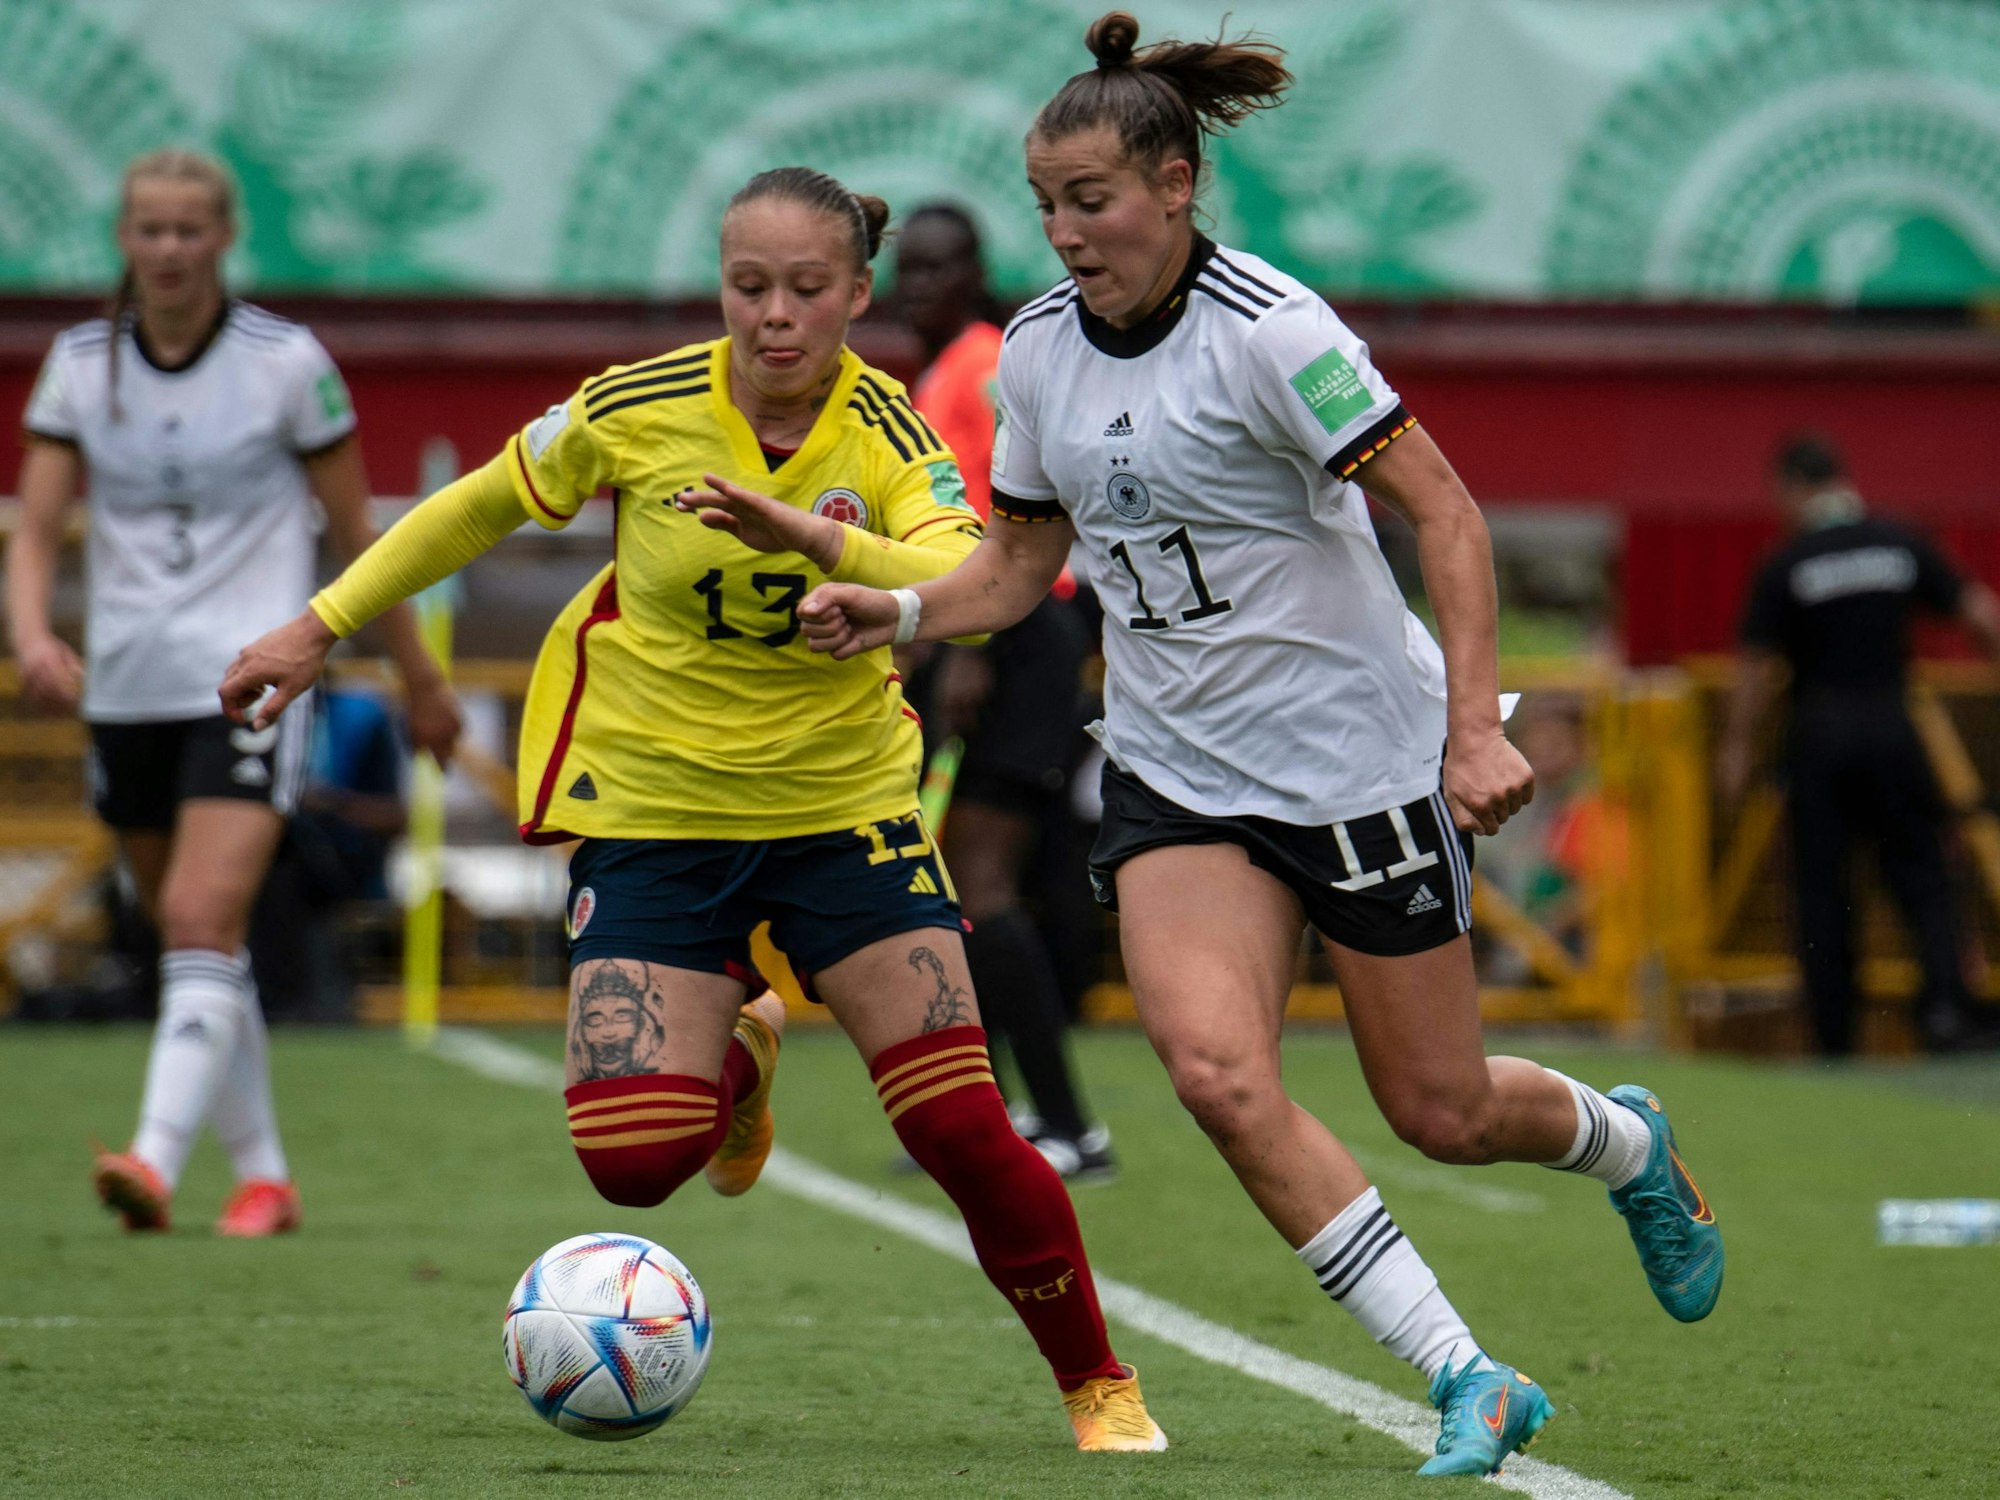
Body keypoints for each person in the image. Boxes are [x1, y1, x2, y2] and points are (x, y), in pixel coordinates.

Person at [799, 13, 1723, 1478]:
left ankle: (1627, 1146)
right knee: (1218, 1078)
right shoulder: (1035, 353)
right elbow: (1018, 566)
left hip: (1357, 766)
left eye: (1091, 202)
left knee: (1443, 1111)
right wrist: (899, 610)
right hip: (1177, 778)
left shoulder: (1275, 332)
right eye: (1046, 207)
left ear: (1174, 187)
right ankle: (1468, 1375)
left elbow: (1447, 514)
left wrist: (1467, 732)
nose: (1065, 235)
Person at [220, 166, 1166, 1452]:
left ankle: (1097, 1385)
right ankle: (744, 1057)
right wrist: (315, 625)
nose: (774, 314)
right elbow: (477, 504)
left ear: (857, 294)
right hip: (658, 814)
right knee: (632, 1164)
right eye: (747, 285)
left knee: (957, 1122)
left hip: (842, 812)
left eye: (805, 289)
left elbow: (965, 570)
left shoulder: (890, 432)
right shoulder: (636, 405)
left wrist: (821, 544)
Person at [6, 148, 461, 1236]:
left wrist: (420, 678)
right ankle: (264, 1179)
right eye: (149, 229)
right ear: (124, 239)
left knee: (200, 917)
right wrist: (30, 634)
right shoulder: (79, 365)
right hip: (126, 688)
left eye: (188, 229)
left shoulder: (286, 363)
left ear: (223, 238)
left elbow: (360, 536)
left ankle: (153, 1162)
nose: (168, 249)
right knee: (194, 944)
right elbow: (36, 524)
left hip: (249, 677)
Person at [897, 203, 1114, 1180]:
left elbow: (1005, 513)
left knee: (980, 884)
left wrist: (971, 645)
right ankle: (1002, 1116)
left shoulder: (982, 361)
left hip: (1013, 635)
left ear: (974, 270)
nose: (917, 286)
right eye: (906, 268)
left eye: (936, 267)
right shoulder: (943, 370)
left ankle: (1068, 1125)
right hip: (985, 633)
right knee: (963, 886)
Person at [1719, 434, 2000, 1055]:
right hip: (1893, 729)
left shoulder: (1788, 561)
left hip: (1820, 737)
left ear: (1791, 486)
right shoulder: (1898, 541)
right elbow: (1981, 614)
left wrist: (1736, 751)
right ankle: (1945, 1011)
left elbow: (1758, 668)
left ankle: (1833, 1035)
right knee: (1923, 873)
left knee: (1822, 888)